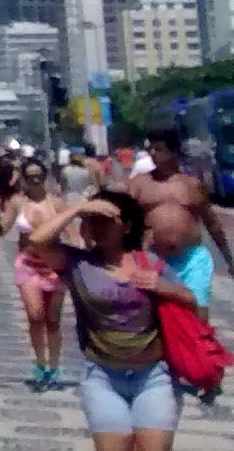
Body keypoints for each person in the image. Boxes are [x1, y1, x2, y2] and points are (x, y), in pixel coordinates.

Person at [30, 191, 193, 447]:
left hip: (153, 376)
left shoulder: (149, 263)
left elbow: (191, 300)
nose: (99, 227)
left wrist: (164, 286)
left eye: (107, 220)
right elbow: (38, 240)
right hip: (102, 376)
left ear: (127, 226)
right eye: (94, 220)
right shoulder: (78, 263)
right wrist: (78, 209)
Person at [127, 125, 231, 316]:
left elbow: (212, 224)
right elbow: (124, 219)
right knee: (158, 318)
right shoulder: (139, 184)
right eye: (151, 148)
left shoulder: (192, 185)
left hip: (192, 261)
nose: (152, 153)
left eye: (158, 149)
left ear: (173, 152)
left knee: (198, 316)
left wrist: (228, 259)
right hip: (154, 259)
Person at [11, 157, 74, 390]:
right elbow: (2, 226)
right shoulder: (18, 202)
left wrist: (79, 261)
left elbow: (71, 232)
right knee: (35, 316)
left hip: (54, 267)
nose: (35, 179)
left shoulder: (56, 203)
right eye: (30, 176)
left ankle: (55, 367)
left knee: (54, 320)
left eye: (39, 175)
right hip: (27, 265)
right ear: (24, 178)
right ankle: (40, 363)